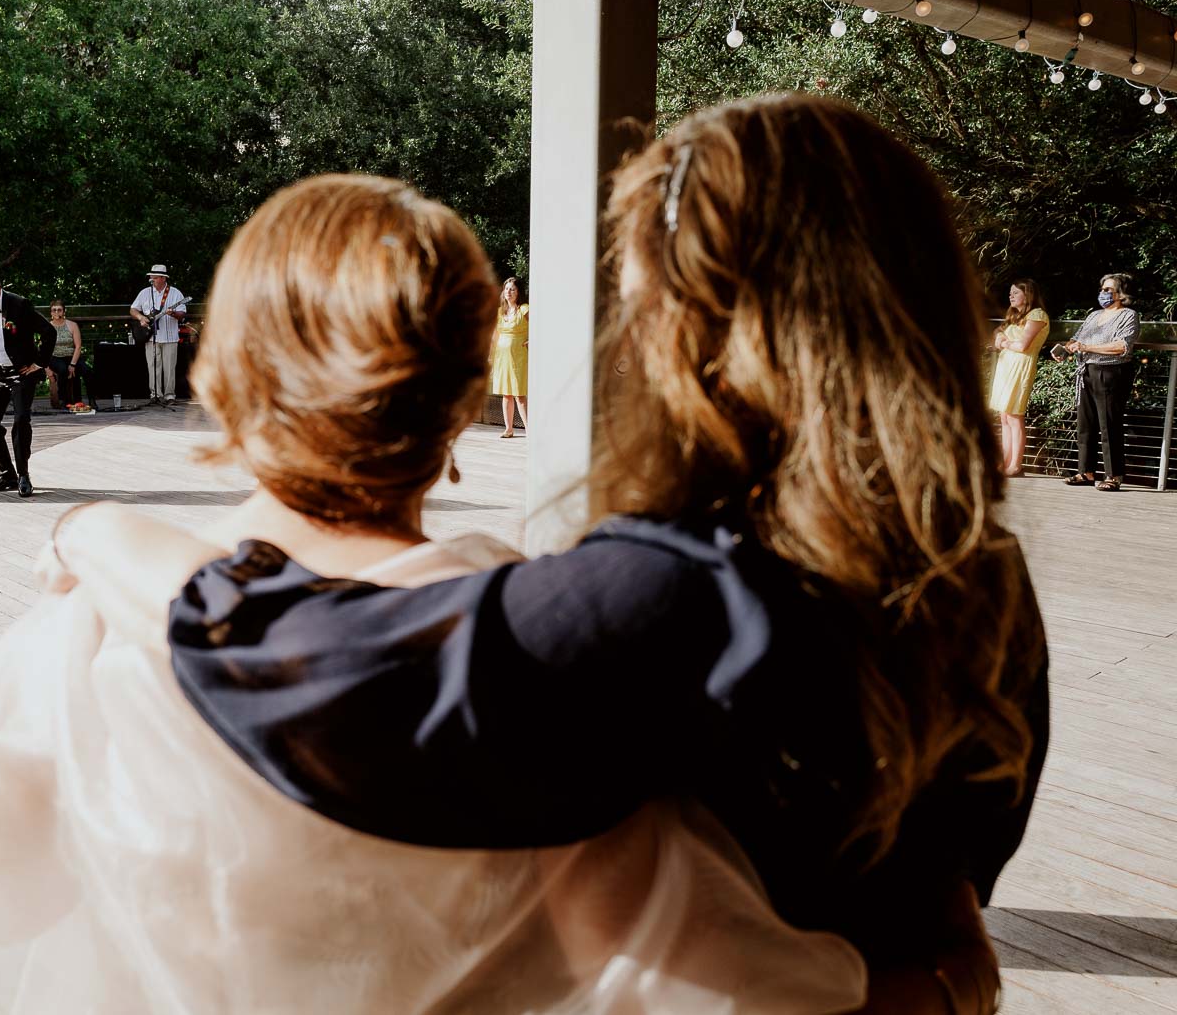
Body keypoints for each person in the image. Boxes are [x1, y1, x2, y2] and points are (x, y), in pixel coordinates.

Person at [131, 95, 1048, 1015]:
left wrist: (107, 537)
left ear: (700, 317)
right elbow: (951, 883)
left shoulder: (684, 593)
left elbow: (313, 674)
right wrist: (951, 980)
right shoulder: (985, 576)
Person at [0, 174, 868, 1015]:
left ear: (228, 371)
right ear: (463, 392)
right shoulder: (529, 651)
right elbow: (675, 967)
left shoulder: (85, 627)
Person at [0, 268, 55, 498]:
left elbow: (49, 332)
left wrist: (39, 363)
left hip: (22, 373)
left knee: (20, 420)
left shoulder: (20, 305)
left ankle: (24, 475)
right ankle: (7, 474)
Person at [1059, 272, 1141, 491]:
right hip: (1086, 371)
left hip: (1111, 372)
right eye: (1102, 289)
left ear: (1121, 293)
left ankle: (1113, 475)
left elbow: (1121, 347)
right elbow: (1076, 339)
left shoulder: (1128, 315)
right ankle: (1085, 472)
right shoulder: (1094, 315)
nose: (1103, 293)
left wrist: (1086, 347)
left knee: (1109, 424)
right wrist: (1066, 348)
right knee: (1085, 424)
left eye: (1108, 290)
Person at [989, 279, 1049, 476]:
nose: (1011, 296)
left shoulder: (1037, 315)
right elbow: (997, 336)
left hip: (1020, 366)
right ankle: (1005, 462)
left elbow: (1023, 345)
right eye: (1010, 292)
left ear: (1028, 295)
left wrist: (1005, 342)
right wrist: (1003, 340)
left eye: (1015, 292)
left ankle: (1016, 464)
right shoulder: (1015, 316)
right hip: (1006, 366)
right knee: (1004, 416)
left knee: (1014, 415)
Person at [131, 263, 187, 405]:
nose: (152, 280)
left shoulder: (175, 293)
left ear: (163, 278)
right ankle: (155, 395)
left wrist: (173, 313)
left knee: (169, 368)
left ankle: (169, 396)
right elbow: (133, 309)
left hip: (170, 337)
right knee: (153, 366)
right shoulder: (145, 293)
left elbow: (182, 313)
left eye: (154, 277)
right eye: (151, 277)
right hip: (151, 338)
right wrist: (141, 318)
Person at [490, 275, 530, 436]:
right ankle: (509, 429)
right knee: (506, 393)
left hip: (518, 356)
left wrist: (532, 339)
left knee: (519, 394)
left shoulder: (524, 309)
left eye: (512, 289)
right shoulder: (500, 311)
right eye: (507, 289)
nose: (509, 292)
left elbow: (539, 324)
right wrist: (491, 355)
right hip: (502, 356)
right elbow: (495, 335)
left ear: (518, 291)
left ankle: (529, 429)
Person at [45, 300, 94, 410]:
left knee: (87, 371)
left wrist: (72, 364)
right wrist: (46, 368)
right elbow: (44, 349)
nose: (57, 312)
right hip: (55, 357)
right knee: (62, 370)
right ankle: (63, 401)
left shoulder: (72, 325)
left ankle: (92, 400)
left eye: (59, 310)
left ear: (63, 311)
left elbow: (78, 346)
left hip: (72, 356)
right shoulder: (48, 327)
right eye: (54, 310)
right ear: (51, 313)